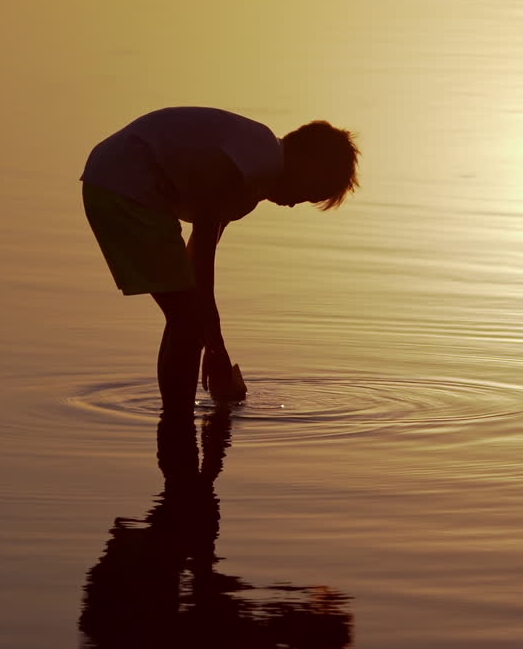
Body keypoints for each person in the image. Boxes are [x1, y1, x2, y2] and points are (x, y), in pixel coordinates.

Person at [81, 107, 359, 418]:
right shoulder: (258, 162)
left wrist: (211, 341)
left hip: (110, 180)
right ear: (308, 163)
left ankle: (177, 424)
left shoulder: (253, 170)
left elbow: (197, 253)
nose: (296, 203)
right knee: (187, 320)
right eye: (310, 192)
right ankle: (177, 422)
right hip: (125, 185)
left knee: (187, 318)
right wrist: (215, 348)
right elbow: (202, 262)